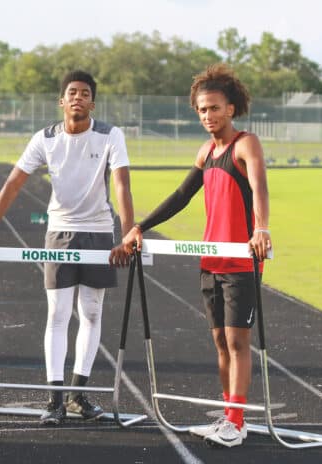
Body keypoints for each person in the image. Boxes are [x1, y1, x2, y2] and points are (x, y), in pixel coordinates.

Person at [116, 63, 271, 448]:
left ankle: (236, 422)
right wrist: (141, 226)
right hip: (211, 260)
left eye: (214, 108)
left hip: (240, 261)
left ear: (231, 109)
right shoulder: (206, 151)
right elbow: (181, 196)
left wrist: (261, 228)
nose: (207, 116)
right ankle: (228, 416)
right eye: (201, 110)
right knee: (220, 341)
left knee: (237, 343)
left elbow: (260, 187)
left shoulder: (245, 144)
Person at [0, 70, 134, 426]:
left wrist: (126, 233)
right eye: (72, 93)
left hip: (97, 232)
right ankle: (55, 400)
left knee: (92, 313)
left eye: (85, 93)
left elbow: (122, 185)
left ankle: (78, 394)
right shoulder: (45, 138)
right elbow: (12, 185)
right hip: (60, 232)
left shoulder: (110, 135)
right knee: (58, 314)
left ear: (93, 102)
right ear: (61, 101)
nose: (78, 98)